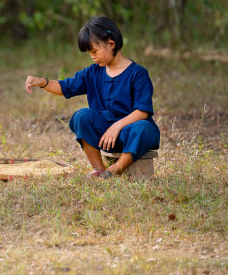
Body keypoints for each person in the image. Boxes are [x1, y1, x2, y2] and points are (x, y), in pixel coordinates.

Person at [24, 16, 160, 178]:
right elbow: (64, 87)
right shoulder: (92, 72)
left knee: (143, 127)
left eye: (94, 51)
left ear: (111, 44)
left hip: (131, 132)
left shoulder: (137, 74)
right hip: (105, 136)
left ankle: (113, 171)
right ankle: (99, 169)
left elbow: (143, 111)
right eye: (89, 53)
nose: (92, 56)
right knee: (81, 116)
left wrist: (116, 127)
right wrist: (41, 82)